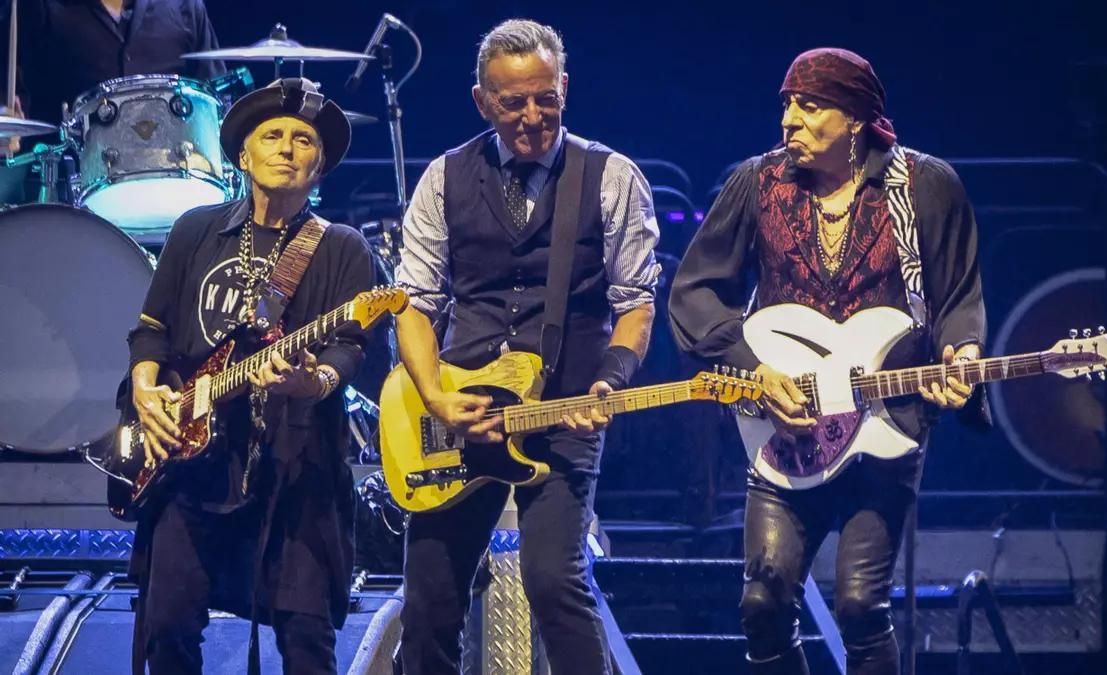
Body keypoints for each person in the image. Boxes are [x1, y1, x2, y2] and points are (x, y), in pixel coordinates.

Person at [668, 48, 989, 675]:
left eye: (810, 106)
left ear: (856, 119)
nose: (789, 119)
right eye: (787, 104)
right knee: (763, 602)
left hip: (886, 423)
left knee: (861, 606)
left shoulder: (924, 185)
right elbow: (696, 291)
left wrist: (964, 353)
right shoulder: (758, 182)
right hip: (786, 424)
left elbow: (958, 296)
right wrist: (752, 369)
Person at [391, 18, 660, 675]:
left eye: (547, 98)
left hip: (565, 409)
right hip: (461, 411)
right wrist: (436, 399)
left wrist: (611, 379)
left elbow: (636, 303)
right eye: (514, 102)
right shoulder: (444, 176)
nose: (533, 116)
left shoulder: (610, 176)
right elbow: (415, 304)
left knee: (553, 580)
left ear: (566, 88)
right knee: (428, 600)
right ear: (482, 101)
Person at [125, 77, 372, 674]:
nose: (287, 147)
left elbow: (350, 349)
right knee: (167, 628)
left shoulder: (343, 247)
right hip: (193, 464)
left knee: (307, 642)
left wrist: (311, 382)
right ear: (243, 156)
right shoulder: (195, 230)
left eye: (303, 140)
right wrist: (145, 389)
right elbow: (151, 330)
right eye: (272, 136)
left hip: (295, 467)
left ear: (320, 167)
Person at [1, 0, 224, 126]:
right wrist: (7, 121)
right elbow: (7, 92)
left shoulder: (185, 6)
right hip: (75, 178)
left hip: (178, 172)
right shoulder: (34, 7)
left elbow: (216, 97)